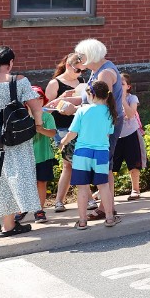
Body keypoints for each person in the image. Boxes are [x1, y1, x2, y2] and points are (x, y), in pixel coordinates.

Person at [0, 47, 44, 237]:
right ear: (10, 63)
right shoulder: (18, 81)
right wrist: (38, 125)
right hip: (11, 134)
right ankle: (8, 225)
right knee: (11, 176)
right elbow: (36, 106)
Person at [75, 38, 124, 222]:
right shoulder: (97, 70)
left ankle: (106, 208)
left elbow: (102, 106)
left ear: (90, 55)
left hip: (104, 125)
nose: (79, 59)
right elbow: (91, 99)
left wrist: (75, 110)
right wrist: (68, 100)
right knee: (105, 164)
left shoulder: (104, 74)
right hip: (103, 123)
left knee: (105, 165)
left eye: (81, 55)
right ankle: (107, 207)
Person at [58, 79, 118, 228]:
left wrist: (63, 142)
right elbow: (108, 135)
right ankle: (110, 218)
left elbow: (72, 133)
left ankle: (82, 221)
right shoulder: (110, 112)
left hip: (82, 153)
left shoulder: (82, 110)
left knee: (83, 187)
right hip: (101, 153)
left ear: (91, 95)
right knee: (104, 186)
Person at [45, 52, 85, 211]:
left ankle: (59, 201)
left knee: (69, 164)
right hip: (62, 128)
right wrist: (62, 98)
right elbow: (45, 110)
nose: (80, 74)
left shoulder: (82, 82)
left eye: (82, 70)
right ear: (68, 65)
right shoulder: (55, 83)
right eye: (77, 70)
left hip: (80, 126)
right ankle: (88, 199)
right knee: (74, 162)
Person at [112, 79, 144, 200]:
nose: (119, 86)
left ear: (128, 86)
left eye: (122, 83)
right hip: (115, 135)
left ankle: (135, 189)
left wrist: (122, 99)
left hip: (131, 133)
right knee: (110, 165)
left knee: (134, 162)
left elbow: (130, 114)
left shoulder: (132, 98)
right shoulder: (110, 99)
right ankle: (105, 190)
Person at [31, 85, 58, 223]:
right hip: (26, 158)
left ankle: (39, 210)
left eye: (40, 98)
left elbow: (52, 133)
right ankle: (22, 209)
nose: (38, 100)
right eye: (34, 98)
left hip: (43, 156)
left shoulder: (47, 116)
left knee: (41, 182)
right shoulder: (23, 117)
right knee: (25, 184)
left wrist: (41, 129)